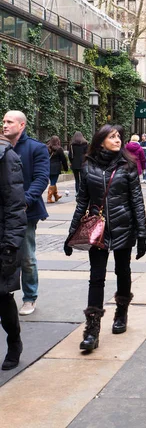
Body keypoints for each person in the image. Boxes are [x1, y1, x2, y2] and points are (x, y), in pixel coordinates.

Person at [64, 124, 146, 352]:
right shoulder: (88, 166)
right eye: (112, 137)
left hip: (123, 226)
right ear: (101, 141)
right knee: (96, 277)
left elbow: (137, 201)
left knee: (123, 270)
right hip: (97, 229)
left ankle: (121, 312)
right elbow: (82, 201)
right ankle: (92, 330)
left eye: (119, 136)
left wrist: (142, 234)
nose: (117, 140)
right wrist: (71, 233)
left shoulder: (128, 165)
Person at [3, 110, 49, 316]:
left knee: (26, 256)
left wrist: (25, 203)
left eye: (9, 122)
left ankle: (30, 297)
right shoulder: (2, 147)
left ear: (22, 125)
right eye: (3, 121)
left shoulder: (36, 148)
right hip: (3, 211)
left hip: (25, 212)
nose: (4, 125)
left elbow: (41, 179)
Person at [0, 134, 27, 370]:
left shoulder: (7, 158)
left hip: (2, 240)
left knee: (2, 297)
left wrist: (10, 245)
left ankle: (14, 341)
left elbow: (15, 206)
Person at [47, 135, 68, 203]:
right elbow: (63, 159)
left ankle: (56, 196)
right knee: (53, 182)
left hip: (48, 167)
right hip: (56, 168)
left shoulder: (47, 148)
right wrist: (66, 168)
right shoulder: (59, 149)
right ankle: (49, 197)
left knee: (53, 181)